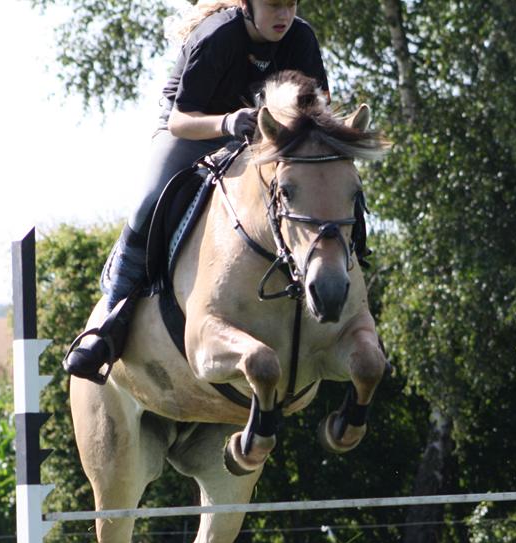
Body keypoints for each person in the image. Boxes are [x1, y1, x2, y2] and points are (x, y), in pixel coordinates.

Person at [63, 0, 329, 382]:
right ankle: (107, 320)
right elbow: (179, 120)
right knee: (148, 201)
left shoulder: (301, 37)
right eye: (273, 5)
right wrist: (226, 122)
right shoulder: (218, 35)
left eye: (290, 4)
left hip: (261, 141)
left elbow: (318, 114)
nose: (284, 15)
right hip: (196, 130)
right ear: (247, 5)